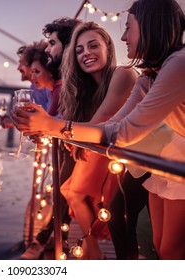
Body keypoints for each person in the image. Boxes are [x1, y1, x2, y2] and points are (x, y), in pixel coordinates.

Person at [12, 0, 185, 260]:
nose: (124, 36)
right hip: (167, 163)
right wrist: (52, 128)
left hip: (172, 160)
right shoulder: (150, 75)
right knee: (162, 247)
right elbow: (112, 126)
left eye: (129, 28)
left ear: (151, 25)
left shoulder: (179, 64)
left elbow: (123, 132)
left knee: (170, 250)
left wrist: (53, 127)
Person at [14, 21, 138, 259]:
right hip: (105, 148)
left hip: (134, 156)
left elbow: (101, 122)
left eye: (93, 46)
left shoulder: (123, 74)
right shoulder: (84, 86)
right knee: (74, 192)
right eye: (80, 50)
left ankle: (93, 251)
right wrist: (48, 130)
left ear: (108, 48)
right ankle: (93, 251)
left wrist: (49, 127)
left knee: (97, 205)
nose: (86, 54)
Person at [19, 17, 81, 260]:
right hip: (66, 148)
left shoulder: (65, 85)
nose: (48, 49)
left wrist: (42, 126)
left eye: (52, 43)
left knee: (64, 194)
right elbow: (52, 120)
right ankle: (56, 241)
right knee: (62, 193)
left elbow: (58, 120)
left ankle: (50, 242)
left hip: (75, 150)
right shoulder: (59, 86)